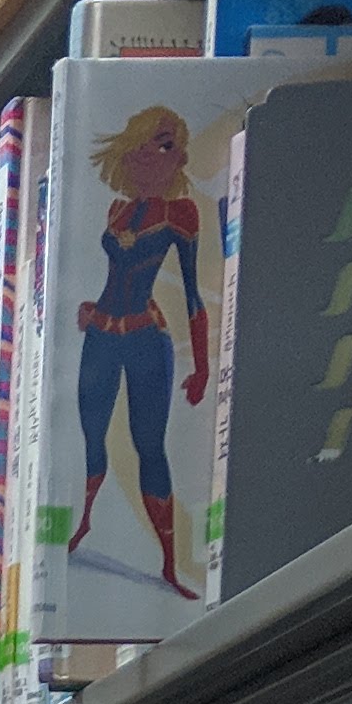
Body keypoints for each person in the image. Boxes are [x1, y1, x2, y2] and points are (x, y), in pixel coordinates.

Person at [67, 103, 209, 598]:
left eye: (165, 144)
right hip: (102, 334)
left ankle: (169, 563)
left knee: (149, 444)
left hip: (147, 338)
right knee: (91, 434)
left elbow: (193, 296)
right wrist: (89, 308)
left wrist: (203, 368)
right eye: (146, 141)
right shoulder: (117, 210)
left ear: (180, 158)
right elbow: (113, 276)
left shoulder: (180, 214)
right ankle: (84, 520)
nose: (151, 152)